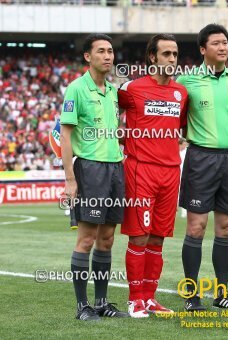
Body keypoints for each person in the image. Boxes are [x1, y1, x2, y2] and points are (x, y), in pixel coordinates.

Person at [176, 24, 228, 311]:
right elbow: (176, 120)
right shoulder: (187, 81)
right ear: (203, 49)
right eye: (216, 43)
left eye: (226, 42)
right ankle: (191, 294)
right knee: (196, 227)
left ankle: (222, 293)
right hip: (200, 158)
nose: (223, 47)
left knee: (227, 228)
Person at [118, 34, 188, 318]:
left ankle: (150, 298)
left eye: (175, 54)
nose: (172, 59)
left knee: (158, 238)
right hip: (140, 169)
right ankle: (134, 299)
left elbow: (180, 126)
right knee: (139, 237)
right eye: (166, 54)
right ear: (152, 57)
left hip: (171, 172)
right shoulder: (131, 89)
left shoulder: (181, 93)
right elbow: (108, 112)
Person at [60, 33, 128, 321]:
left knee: (108, 238)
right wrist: (70, 179)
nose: (108, 56)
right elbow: (65, 134)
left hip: (115, 168)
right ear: (88, 56)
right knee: (86, 238)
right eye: (101, 51)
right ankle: (82, 307)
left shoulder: (114, 92)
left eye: (110, 51)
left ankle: (101, 302)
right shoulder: (76, 89)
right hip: (89, 169)